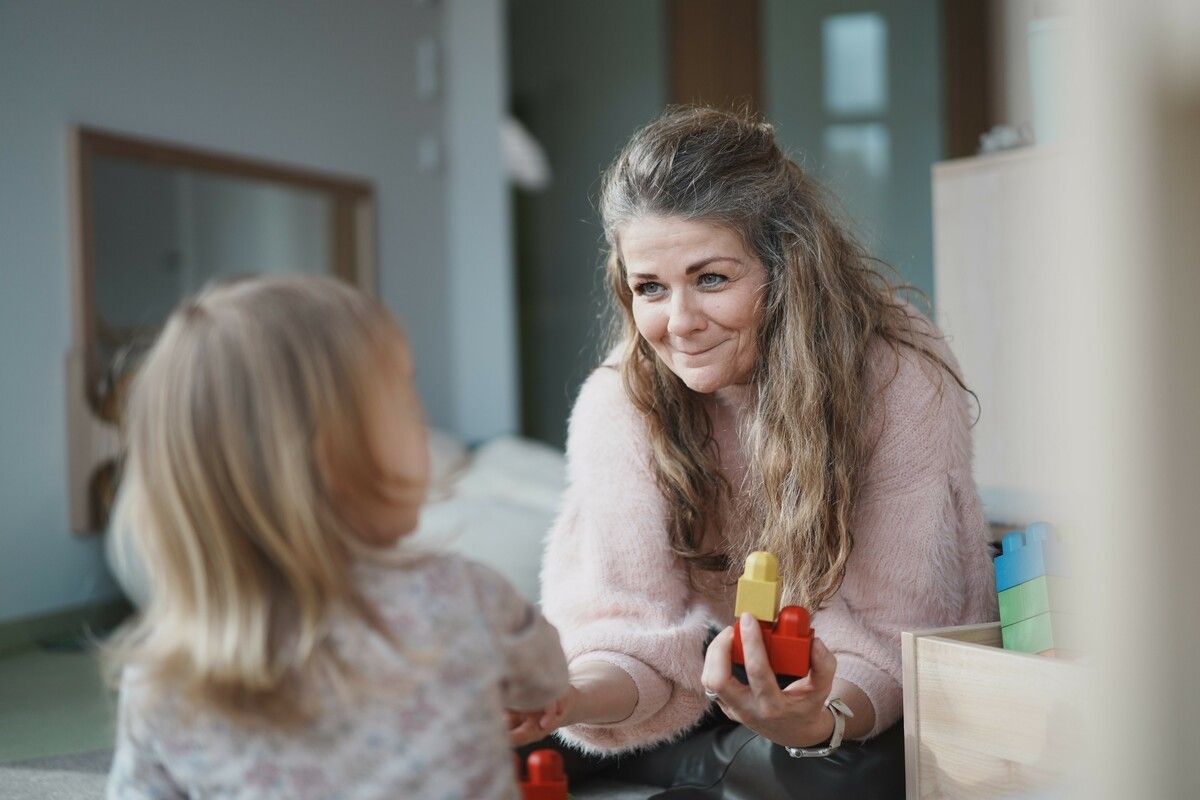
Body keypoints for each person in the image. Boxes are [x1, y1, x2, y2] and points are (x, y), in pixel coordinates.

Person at [512, 107, 998, 798]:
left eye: (711, 278)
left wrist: (807, 721)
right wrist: (560, 696)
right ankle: (710, 769)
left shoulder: (895, 373)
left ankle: (723, 769)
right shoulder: (621, 400)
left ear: (786, 265)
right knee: (470, 739)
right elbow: (626, 633)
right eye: (651, 287)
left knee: (855, 777)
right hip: (692, 698)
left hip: (836, 697)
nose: (678, 324)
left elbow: (895, 642)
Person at [104, 276, 569, 799]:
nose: (423, 426)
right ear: (331, 458)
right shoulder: (465, 597)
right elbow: (549, 677)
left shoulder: (160, 679)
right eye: (409, 407)